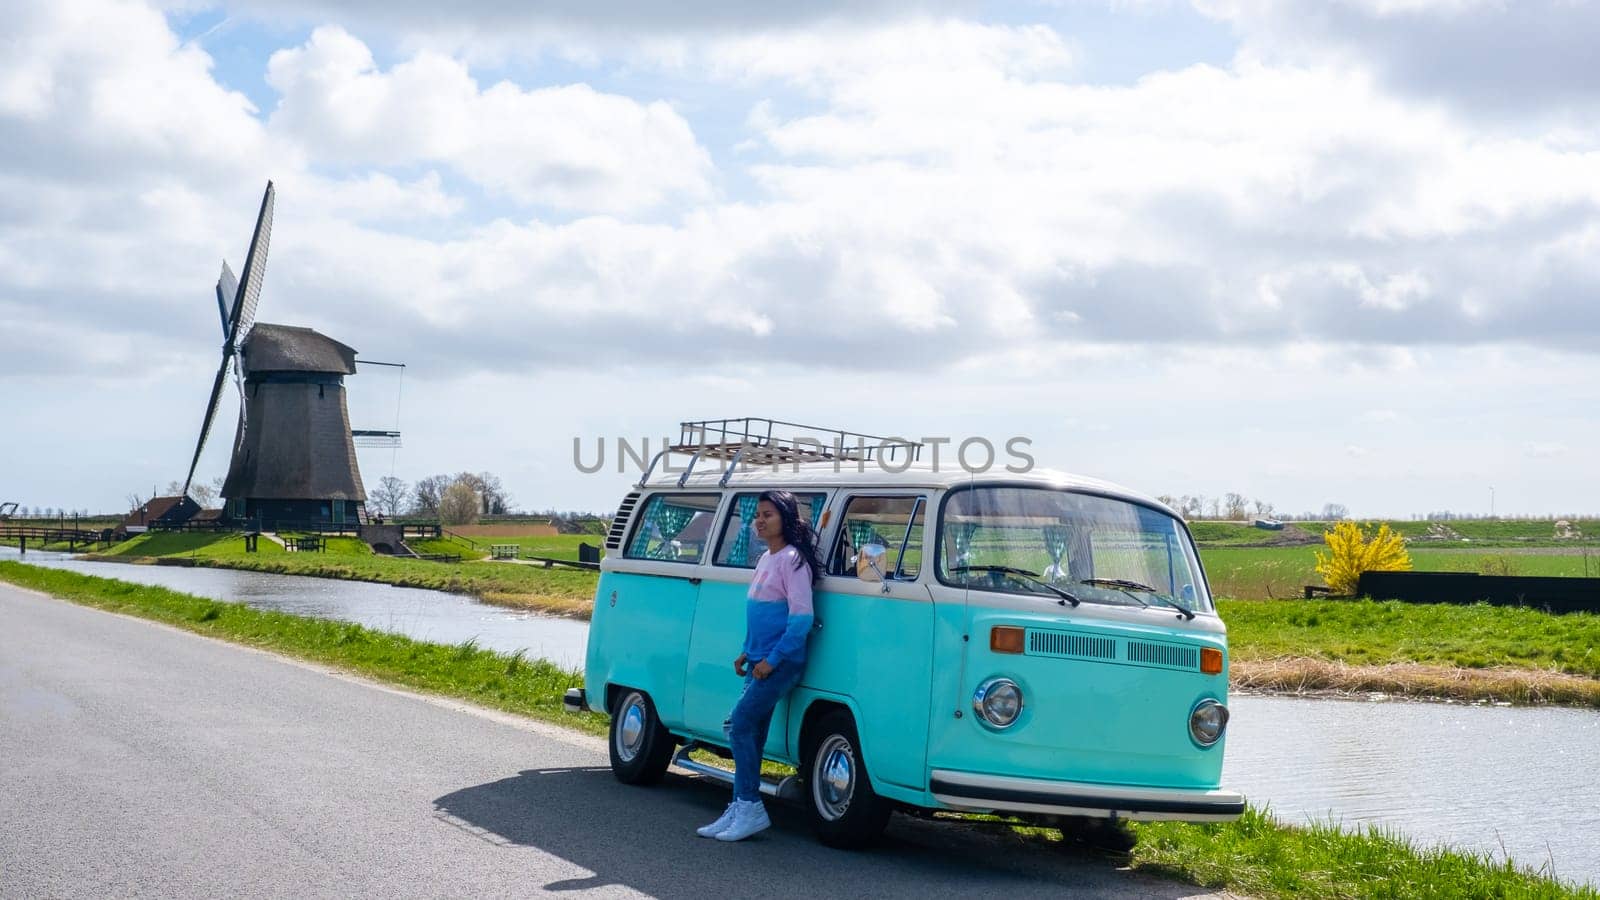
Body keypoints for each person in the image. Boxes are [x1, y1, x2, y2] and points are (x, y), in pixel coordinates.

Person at [697, 489, 821, 842]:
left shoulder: (793, 560)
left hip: (779, 663)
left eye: (768, 514)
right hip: (758, 660)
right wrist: (746, 652)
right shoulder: (767, 558)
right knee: (751, 731)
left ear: (786, 518)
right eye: (758, 514)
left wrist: (772, 660)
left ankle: (750, 805)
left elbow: (800, 620)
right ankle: (739, 804)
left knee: (737, 725)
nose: (760, 520)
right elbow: (760, 614)